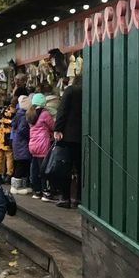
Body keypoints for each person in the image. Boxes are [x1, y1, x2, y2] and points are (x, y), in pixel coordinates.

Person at [54, 75, 83, 209]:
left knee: (65, 167)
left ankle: (65, 197)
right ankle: (78, 198)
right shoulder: (88, 91)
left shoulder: (70, 90)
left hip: (68, 136)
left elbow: (62, 110)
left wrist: (58, 129)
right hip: (83, 136)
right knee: (80, 168)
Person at [27, 94, 55, 199]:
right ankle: (46, 192)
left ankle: (36, 191)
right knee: (44, 169)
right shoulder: (45, 114)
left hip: (33, 145)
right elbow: (53, 126)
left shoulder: (30, 113)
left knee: (35, 169)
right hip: (43, 145)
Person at [10, 95, 33, 195]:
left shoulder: (18, 114)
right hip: (22, 143)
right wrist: (30, 135)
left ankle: (22, 185)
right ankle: (16, 187)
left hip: (18, 142)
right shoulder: (23, 116)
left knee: (22, 163)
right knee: (21, 164)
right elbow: (22, 129)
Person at [0, 97, 16, 183]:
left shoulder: (0, 112)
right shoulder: (13, 111)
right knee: (9, 156)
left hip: (0, 136)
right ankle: (8, 175)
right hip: (8, 137)